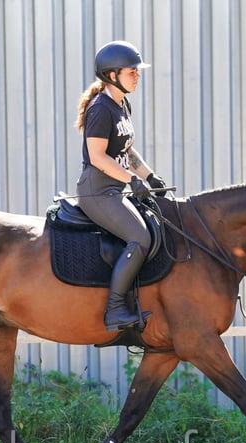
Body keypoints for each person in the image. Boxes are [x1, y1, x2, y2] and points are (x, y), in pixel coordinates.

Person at [74, 40, 168, 332]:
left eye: (137, 71)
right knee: (140, 238)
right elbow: (97, 157)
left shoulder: (122, 104)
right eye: (131, 71)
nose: (137, 76)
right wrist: (131, 180)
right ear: (112, 75)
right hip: (97, 190)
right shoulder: (100, 109)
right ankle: (115, 309)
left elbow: (126, 150)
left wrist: (149, 176)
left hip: (115, 188)